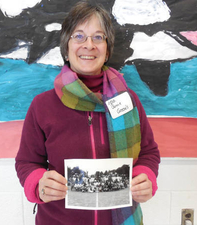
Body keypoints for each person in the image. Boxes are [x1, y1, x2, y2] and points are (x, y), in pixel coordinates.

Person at [15, 1, 160, 225]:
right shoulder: (42, 105)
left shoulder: (127, 100)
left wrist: (146, 177)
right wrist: (38, 183)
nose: (89, 45)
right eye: (79, 36)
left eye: (98, 37)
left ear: (108, 48)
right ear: (66, 46)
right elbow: (26, 162)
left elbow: (149, 153)